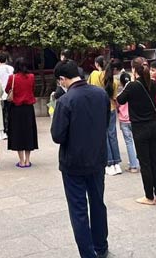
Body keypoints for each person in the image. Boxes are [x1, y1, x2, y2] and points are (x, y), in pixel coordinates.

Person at [50, 60, 109, 258]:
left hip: (73, 162)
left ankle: (88, 253)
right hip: (97, 158)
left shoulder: (65, 101)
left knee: (78, 210)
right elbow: (106, 123)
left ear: (62, 79)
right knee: (98, 202)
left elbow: (57, 135)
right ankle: (101, 246)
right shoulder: (100, 94)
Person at [117, 58, 156, 205]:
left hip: (140, 127)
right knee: (155, 159)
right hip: (155, 125)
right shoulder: (153, 83)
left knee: (145, 162)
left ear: (134, 70)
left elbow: (120, 99)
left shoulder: (132, 86)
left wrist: (130, 81)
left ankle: (149, 196)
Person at [5, 57, 38, 168]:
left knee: (18, 133)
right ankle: (28, 160)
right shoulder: (32, 77)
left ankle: (21, 161)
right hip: (28, 109)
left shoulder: (12, 78)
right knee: (29, 133)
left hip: (16, 109)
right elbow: (32, 89)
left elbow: (7, 90)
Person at [99, 59, 123, 176]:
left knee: (104, 136)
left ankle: (108, 163)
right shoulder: (115, 82)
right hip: (111, 109)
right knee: (112, 135)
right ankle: (116, 163)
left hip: (99, 110)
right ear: (115, 69)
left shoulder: (95, 75)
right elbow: (114, 98)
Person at [0, 50, 15, 133]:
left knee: (2, 113)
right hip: (10, 94)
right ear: (6, 59)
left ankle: (4, 129)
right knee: (10, 112)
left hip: (0, 95)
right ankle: (11, 129)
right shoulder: (11, 69)